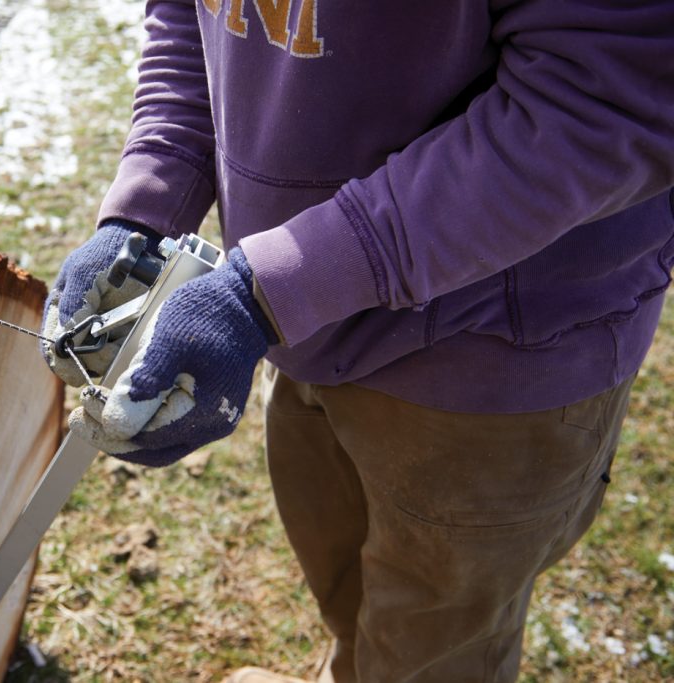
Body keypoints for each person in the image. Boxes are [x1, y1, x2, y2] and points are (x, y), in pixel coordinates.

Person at [40, 1, 674, 680]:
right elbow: (195, 15)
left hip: (487, 356)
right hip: (298, 316)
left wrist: (276, 288)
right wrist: (153, 192)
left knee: (434, 652)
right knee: (346, 589)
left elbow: (600, 104)